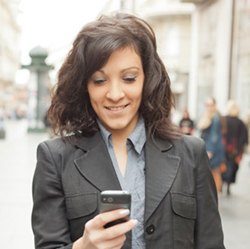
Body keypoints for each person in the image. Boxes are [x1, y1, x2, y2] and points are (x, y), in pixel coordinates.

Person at [32, 13, 225, 249]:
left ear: (147, 79)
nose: (115, 94)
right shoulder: (54, 158)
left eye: (129, 78)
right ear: (84, 86)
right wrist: (83, 246)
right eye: (99, 81)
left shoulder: (191, 154)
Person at [197, 97, 226, 192]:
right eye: (207, 105)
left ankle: (215, 191)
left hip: (213, 148)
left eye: (211, 105)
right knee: (211, 170)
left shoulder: (215, 117)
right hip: (209, 146)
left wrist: (210, 150)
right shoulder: (208, 116)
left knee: (213, 170)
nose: (209, 107)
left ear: (214, 105)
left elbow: (214, 135)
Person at [221, 100, 248, 195]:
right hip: (235, 149)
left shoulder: (224, 119)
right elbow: (244, 138)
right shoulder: (240, 122)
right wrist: (240, 149)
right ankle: (227, 185)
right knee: (232, 167)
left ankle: (223, 183)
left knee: (223, 165)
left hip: (224, 147)